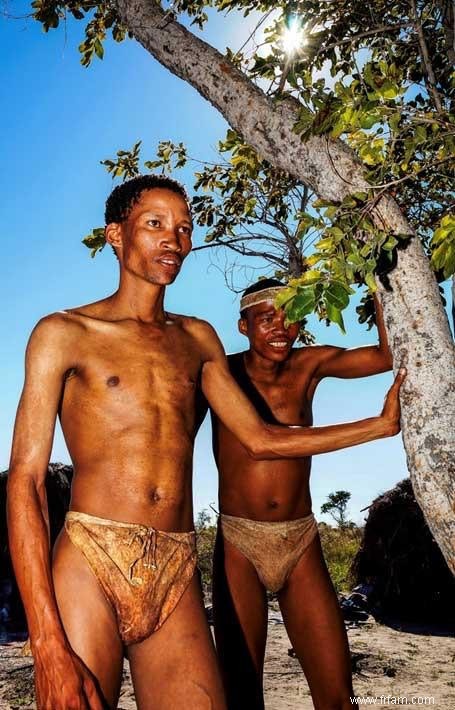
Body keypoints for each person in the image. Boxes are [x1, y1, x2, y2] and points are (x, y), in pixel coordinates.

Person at [7, 176, 404, 710]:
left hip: (175, 563)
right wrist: (47, 643)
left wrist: (378, 427)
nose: (174, 238)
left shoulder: (198, 339)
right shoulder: (62, 333)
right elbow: (27, 484)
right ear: (116, 235)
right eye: (155, 224)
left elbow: (261, 440)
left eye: (184, 228)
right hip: (90, 557)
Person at [211, 278, 396, 710]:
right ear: (243, 326)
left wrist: (377, 284)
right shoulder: (223, 373)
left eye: (291, 316)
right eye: (266, 319)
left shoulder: (308, 365)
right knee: (241, 696)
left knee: (337, 697)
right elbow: (257, 439)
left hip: (300, 538)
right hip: (240, 541)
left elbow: (385, 356)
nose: (281, 327)